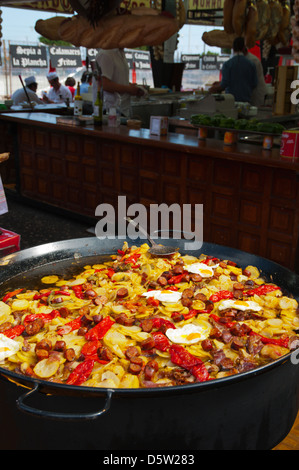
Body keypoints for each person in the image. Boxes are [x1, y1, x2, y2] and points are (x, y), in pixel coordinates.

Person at [93, 48, 145, 117]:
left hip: (122, 110)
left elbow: (118, 80)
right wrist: (129, 89)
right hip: (109, 111)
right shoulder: (106, 54)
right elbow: (104, 84)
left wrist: (132, 87)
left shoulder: (120, 53)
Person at [209, 37, 258, 104]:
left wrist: (212, 89)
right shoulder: (251, 64)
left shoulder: (228, 64)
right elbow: (254, 83)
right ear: (244, 48)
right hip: (247, 102)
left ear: (233, 48)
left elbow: (224, 84)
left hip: (231, 102)